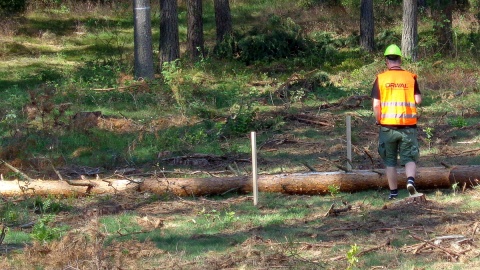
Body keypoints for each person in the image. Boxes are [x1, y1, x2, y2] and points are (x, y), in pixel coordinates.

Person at [371, 44, 422, 200]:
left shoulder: (381, 78)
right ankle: (410, 182)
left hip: (387, 127)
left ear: (386, 61)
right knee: (410, 157)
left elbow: (376, 105)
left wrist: (378, 120)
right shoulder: (410, 77)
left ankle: (393, 193)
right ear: (400, 59)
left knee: (390, 161)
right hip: (408, 126)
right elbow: (418, 100)